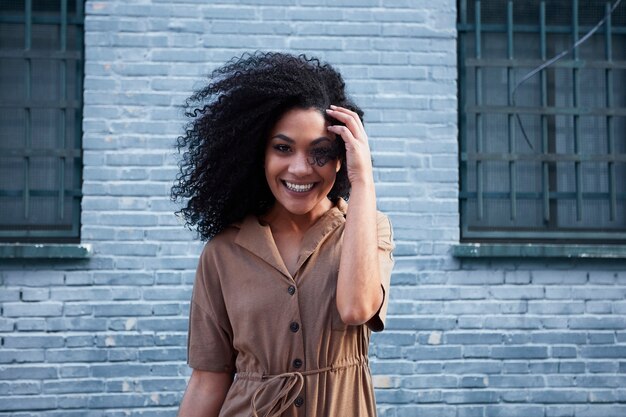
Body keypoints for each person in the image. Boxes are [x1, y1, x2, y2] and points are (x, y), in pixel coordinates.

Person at [172, 52, 394, 417]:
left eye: (320, 153)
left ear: (342, 158)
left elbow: (356, 308)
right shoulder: (223, 252)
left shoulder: (368, 229)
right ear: (258, 154)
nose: (300, 168)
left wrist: (363, 179)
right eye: (282, 148)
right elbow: (208, 380)